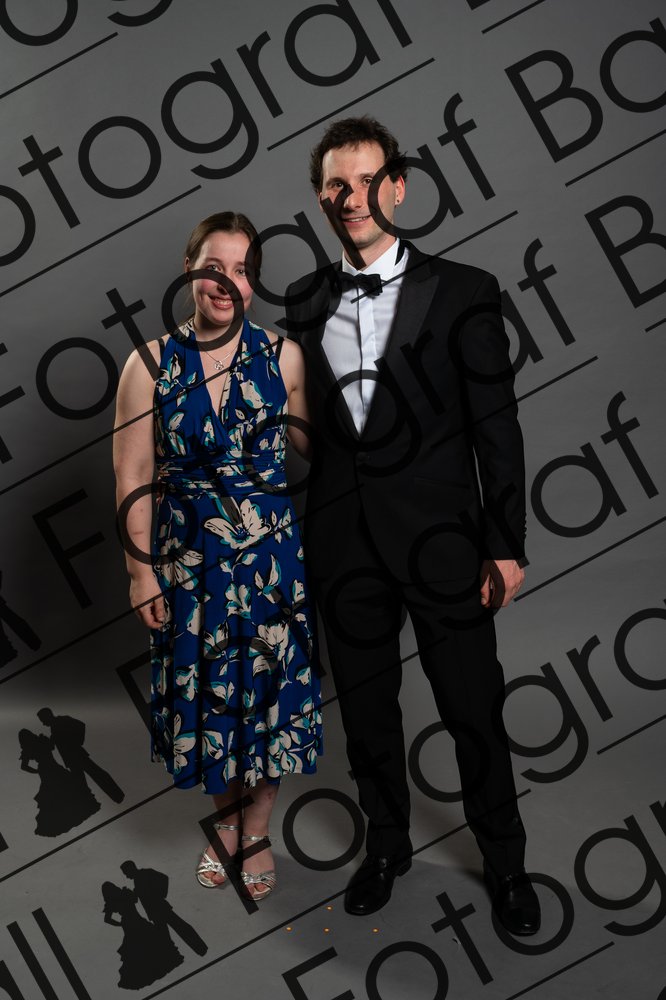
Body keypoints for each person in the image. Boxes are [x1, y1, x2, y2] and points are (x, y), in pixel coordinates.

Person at [285, 116, 540, 933]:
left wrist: (505, 541)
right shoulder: (303, 299)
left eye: (367, 180)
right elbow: (307, 429)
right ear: (321, 198)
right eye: (336, 184)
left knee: (473, 708)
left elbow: (496, 425)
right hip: (342, 543)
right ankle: (387, 846)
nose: (352, 196)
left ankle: (507, 864)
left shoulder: (466, 289)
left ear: (397, 186)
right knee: (367, 715)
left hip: (445, 542)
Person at [113, 211, 322, 899]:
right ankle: (225, 821)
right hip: (189, 563)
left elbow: (326, 451)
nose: (226, 283)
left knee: (268, 697)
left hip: (270, 565)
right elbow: (132, 475)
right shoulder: (148, 364)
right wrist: (140, 572)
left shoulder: (284, 356)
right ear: (189, 271)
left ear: (253, 280)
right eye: (213, 268)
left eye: (241, 269)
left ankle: (256, 829)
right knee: (205, 696)